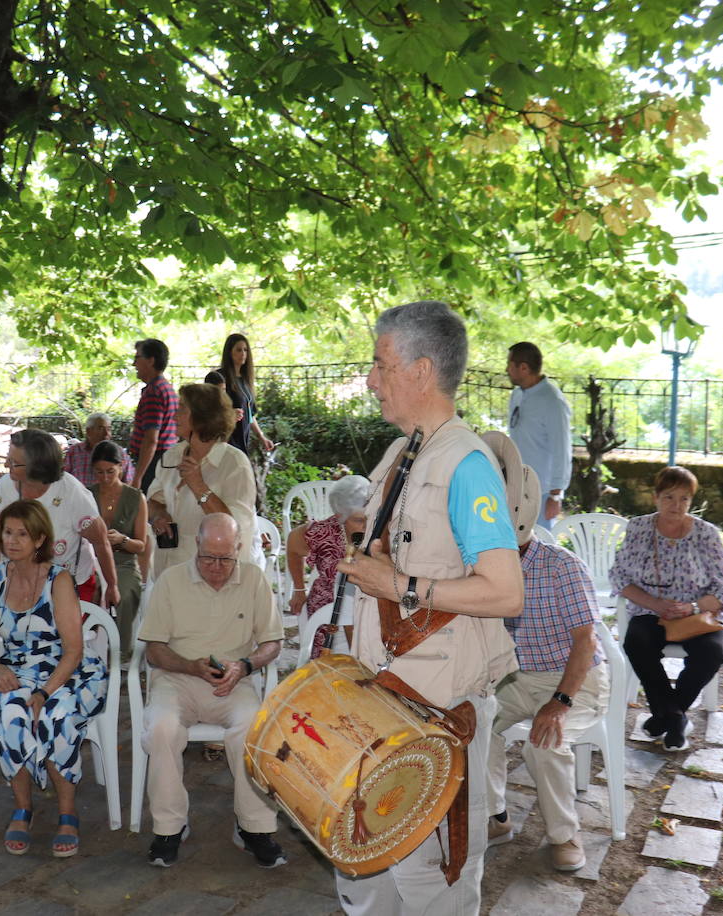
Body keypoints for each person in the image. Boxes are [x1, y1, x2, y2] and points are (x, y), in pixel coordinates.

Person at [334, 300, 523, 915]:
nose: (370, 379)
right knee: (368, 871)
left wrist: (403, 588)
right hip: (385, 701)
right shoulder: (405, 452)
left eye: (380, 364)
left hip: (438, 711)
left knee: (434, 883)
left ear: (420, 371)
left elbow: (504, 590)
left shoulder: (467, 465)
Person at [139, 514, 285, 868]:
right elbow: (153, 650)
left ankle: (254, 828)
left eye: (225, 558)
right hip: (177, 678)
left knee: (252, 727)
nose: (217, 567)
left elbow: (272, 642)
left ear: (238, 549)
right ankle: (169, 827)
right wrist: (190, 666)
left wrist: (245, 666)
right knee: (161, 727)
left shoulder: (252, 578)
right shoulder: (171, 580)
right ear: (196, 546)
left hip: (234, 681)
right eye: (208, 557)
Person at [486, 463, 606, 872]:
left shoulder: (560, 565)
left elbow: (586, 643)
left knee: (545, 738)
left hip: (574, 676)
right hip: (516, 677)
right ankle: (496, 818)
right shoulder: (484, 567)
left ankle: (564, 834)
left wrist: (560, 701)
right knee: (473, 723)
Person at [0, 500, 108, 858]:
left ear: (39, 539)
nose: (13, 540)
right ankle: (23, 807)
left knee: (54, 714)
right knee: (13, 710)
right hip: (15, 667)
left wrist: (45, 693)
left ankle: (67, 812)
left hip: (67, 671)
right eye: (8, 532)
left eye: (23, 534)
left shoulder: (58, 578)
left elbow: (74, 650)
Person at [610, 465, 723, 752]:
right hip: (651, 611)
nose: (676, 505)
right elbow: (619, 578)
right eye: (669, 497)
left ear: (691, 502)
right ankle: (675, 718)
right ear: (655, 498)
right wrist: (657, 604)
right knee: (637, 642)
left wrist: (691, 607)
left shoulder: (706, 533)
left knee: (711, 652)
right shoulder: (639, 528)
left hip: (698, 616)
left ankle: (668, 715)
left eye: (684, 499)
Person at [0, 429, 118, 608]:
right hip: (17, 585)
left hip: (69, 586)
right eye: (8, 458)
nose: (6, 465)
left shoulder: (71, 493)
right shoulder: (4, 488)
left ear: (37, 468)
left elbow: (100, 541)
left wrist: (112, 585)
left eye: (14, 462)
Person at [146, 383, 256, 576]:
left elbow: (234, 526)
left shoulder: (234, 463)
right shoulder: (171, 457)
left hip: (214, 576)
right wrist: (158, 516)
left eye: (181, 409)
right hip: (170, 571)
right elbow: (154, 500)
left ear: (202, 416)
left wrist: (198, 486)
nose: (174, 416)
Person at [284, 474, 370, 629]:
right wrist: (299, 589)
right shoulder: (322, 533)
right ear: (340, 516)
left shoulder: (385, 530)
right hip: (329, 613)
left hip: (370, 612)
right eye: (358, 520)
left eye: (370, 517)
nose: (366, 525)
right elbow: (293, 547)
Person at [89, 440, 147, 652]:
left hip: (123, 564)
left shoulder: (135, 498)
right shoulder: (87, 495)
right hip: (91, 562)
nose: (105, 478)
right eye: (99, 472)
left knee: (121, 591)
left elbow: (141, 546)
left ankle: (118, 653)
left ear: (121, 467)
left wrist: (122, 540)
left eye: (110, 472)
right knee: (83, 592)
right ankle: (86, 650)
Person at [507, 342, 572, 529]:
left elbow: (562, 450)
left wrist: (555, 494)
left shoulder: (552, 401)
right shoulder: (517, 395)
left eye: (510, 365)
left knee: (541, 547)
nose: (507, 370)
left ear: (524, 368)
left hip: (542, 491)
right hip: (517, 485)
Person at [128, 339, 178, 493]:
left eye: (137, 358)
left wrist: (138, 477)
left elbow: (151, 440)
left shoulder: (154, 393)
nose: (134, 364)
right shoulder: (166, 388)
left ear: (150, 361)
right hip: (163, 461)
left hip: (153, 464)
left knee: (146, 511)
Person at [216, 333, 275, 454]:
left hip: (242, 441)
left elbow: (250, 414)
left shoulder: (245, 381)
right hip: (225, 441)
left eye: (245, 350)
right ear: (229, 352)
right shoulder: (219, 377)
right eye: (238, 350)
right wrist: (229, 414)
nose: (243, 353)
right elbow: (208, 410)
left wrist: (261, 437)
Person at [63, 413, 134, 488]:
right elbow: (64, 480)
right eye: (101, 428)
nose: (106, 433)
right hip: (79, 498)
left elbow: (128, 482)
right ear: (88, 431)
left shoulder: (120, 453)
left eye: (109, 429)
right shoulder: (74, 452)